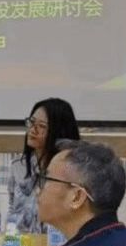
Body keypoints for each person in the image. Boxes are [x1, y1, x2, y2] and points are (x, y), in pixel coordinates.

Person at [8, 98, 80, 233]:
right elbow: (12, 210)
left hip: (57, 243)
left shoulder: (73, 170)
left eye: (41, 126)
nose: (32, 130)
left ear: (59, 131)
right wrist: (9, 239)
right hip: (22, 242)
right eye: (31, 122)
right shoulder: (18, 166)